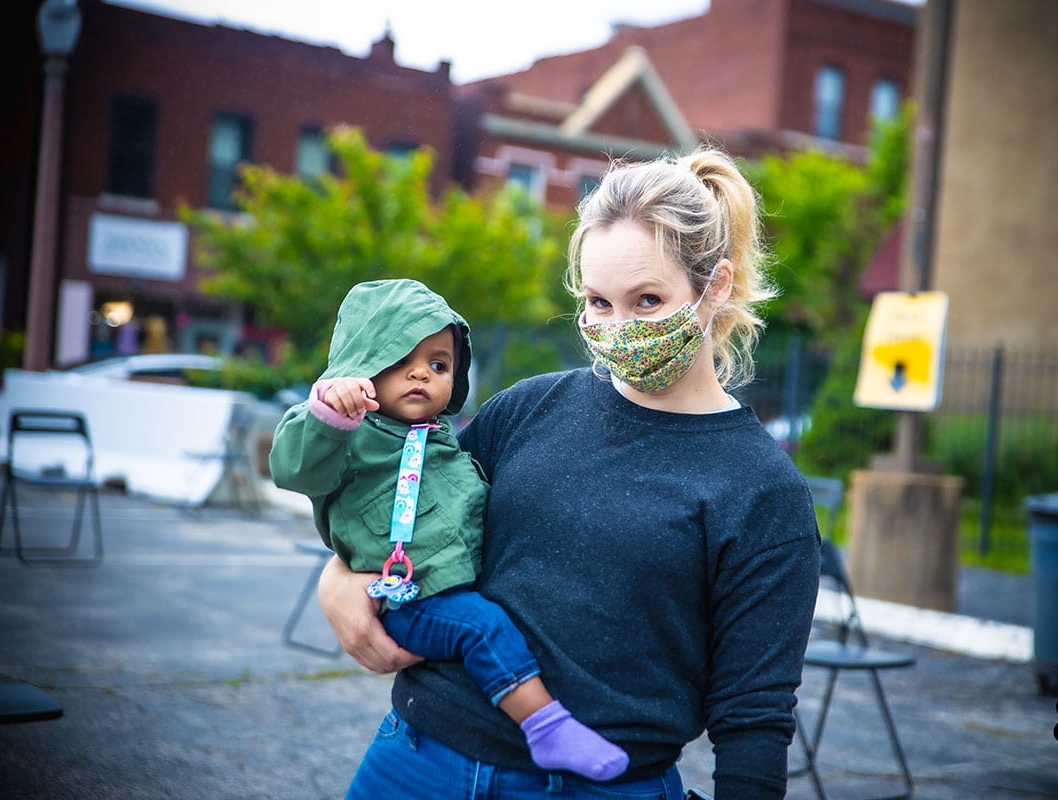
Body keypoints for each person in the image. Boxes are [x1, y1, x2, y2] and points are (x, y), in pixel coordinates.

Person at [317, 150, 822, 800]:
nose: (618, 328)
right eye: (598, 302)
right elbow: (405, 515)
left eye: (647, 300)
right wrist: (338, 577)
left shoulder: (762, 489)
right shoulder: (527, 410)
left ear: (715, 286)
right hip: (419, 757)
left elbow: (753, 715)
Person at [269, 279, 629, 782]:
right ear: (362, 363)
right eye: (399, 360)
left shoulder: (444, 439)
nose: (421, 373)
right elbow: (295, 469)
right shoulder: (351, 438)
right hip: (411, 597)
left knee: (484, 621)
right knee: (483, 628)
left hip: (443, 589)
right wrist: (329, 413)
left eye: (439, 365)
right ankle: (546, 727)